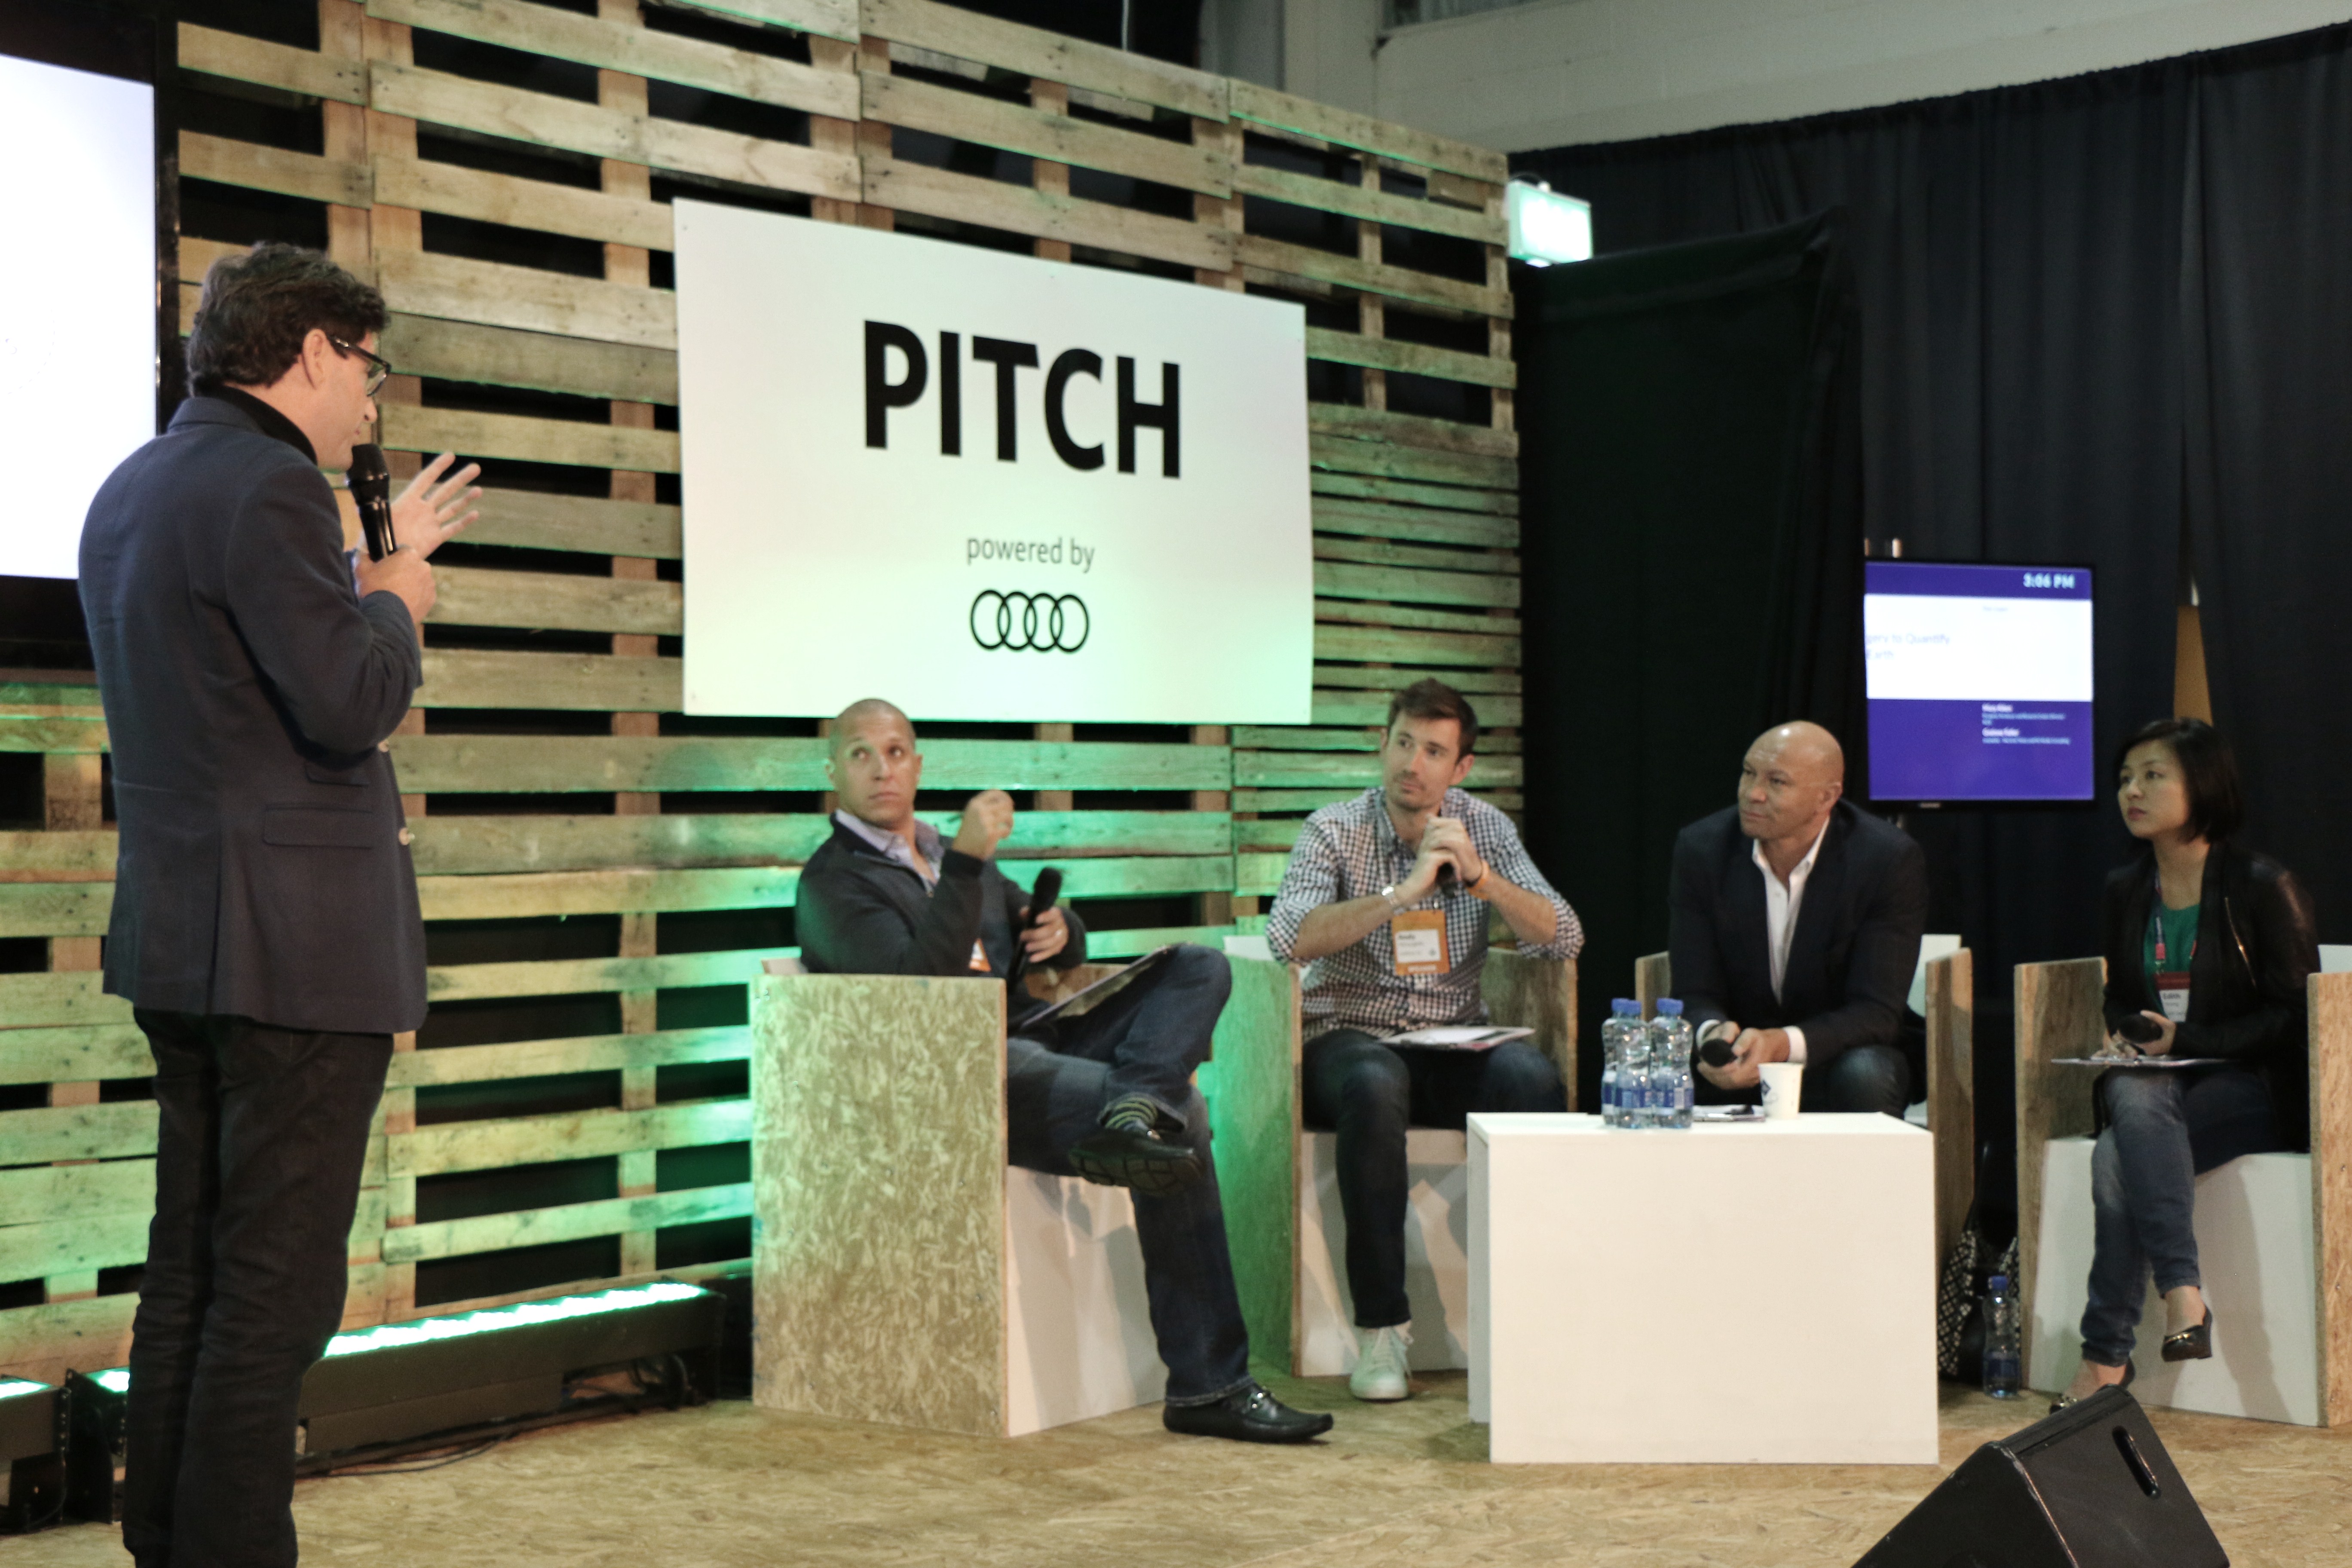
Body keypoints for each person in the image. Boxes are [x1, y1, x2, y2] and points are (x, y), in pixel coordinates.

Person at [78, 242, 479, 1568]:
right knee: (275, 1292)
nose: (371, 396)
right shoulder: (273, 488)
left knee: (194, 1269)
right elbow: (351, 700)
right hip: (294, 953)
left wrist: (363, 570)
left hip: (186, 941)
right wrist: (397, 601)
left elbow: (240, 683)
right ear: (313, 352)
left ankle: (173, 1540)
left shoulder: (136, 483)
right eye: (367, 367)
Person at [793, 699, 1331, 1444]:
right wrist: (969, 864)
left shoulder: (942, 852)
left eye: (894, 751)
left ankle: (1133, 1107)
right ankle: (1209, 1383)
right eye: (860, 754)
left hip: (1032, 1035)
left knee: (1200, 967)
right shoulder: (832, 882)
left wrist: (1060, 929)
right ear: (832, 772)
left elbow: (1042, 929)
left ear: (917, 764)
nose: (881, 769)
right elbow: (920, 994)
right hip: (956, 1077)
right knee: (1185, 1117)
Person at [1265, 679, 1581, 1403]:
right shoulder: (1333, 830)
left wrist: (1482, 878)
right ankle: (1382, 1329)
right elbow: (1290, 938)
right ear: (1382, 744)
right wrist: (1401, 894)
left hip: (1449, 1039)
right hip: (1346, 1036)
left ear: (1460, 768)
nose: (1413, 763)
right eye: (1403, 742)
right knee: (1375, 1081)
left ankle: (1535, 1312)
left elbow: (1563, 935)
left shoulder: (1484, 827)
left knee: (1531, 1078)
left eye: (1433, 751)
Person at [2052, 718, 2317, 1411]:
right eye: (2123, 779)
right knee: (2133, 1101)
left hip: (2250, 1083)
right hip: (2160, 1081)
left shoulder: (2262, 884)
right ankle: (2178, 1301)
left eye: (2152, 775)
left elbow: (2297, 1015)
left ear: (2202, 784)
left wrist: (2189, 1037)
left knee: (2117, 1154)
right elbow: (2118, 995)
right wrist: (2132, 1032)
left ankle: (2109, 1355)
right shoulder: (2125, 888)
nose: (2131, 792)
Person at [1669, 721, 1926, 1118]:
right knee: (1655, 1072)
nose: (1752, 793)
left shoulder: (1885, 859)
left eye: (1777, 782)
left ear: (1827, 797)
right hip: (1740, 1052)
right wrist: (1714, 1037)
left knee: (1866, 1074)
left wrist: (1781, 1044)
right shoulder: (1703, 850)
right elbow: (1694, 991)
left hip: (1837, 1051)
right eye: (1749, 773)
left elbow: (1875, 1012)